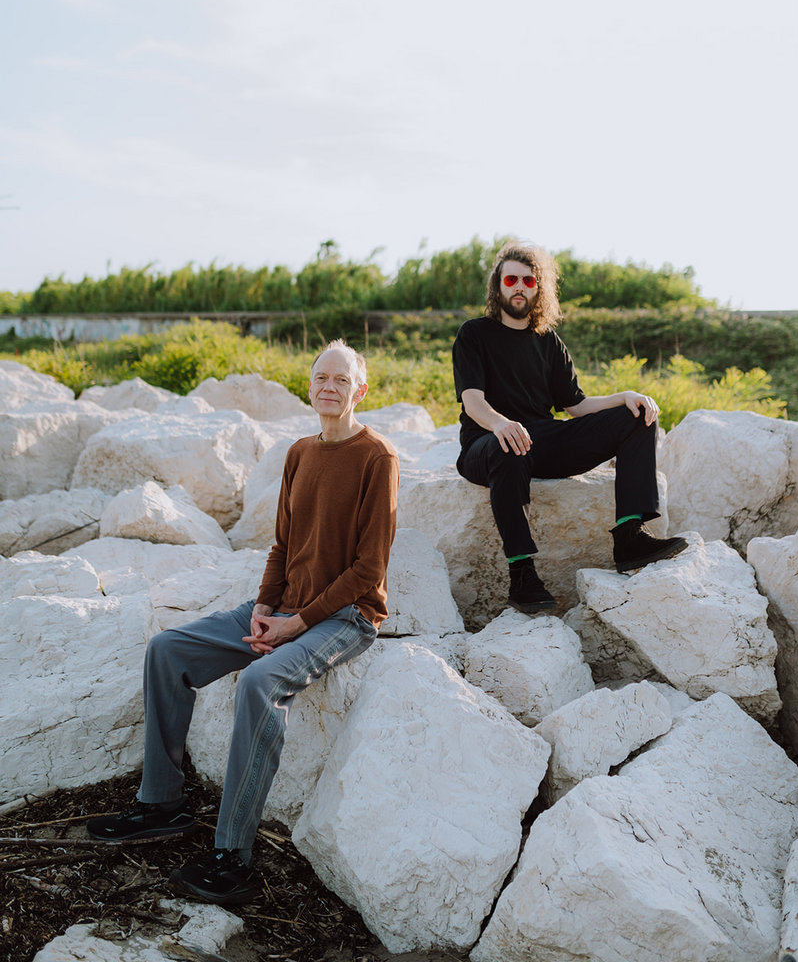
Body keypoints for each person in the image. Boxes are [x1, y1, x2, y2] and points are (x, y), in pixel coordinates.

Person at [87, 340, 399, 907]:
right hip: (283, 608)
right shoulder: (300, 452)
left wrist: (296, 623)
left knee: (259, 682)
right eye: (321, 377)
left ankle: (233, 856)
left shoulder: (377, 458)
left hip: (346, 617)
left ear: (361, 390)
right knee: (167, 651)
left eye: (341, 379)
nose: (329, 387)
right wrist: (263, 607)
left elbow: (369, 569)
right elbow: (283, 544)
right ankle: (161, 804)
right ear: (310, 386)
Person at [453, 241, 687, 614]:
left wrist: (625, 396)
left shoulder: (548, 342)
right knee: (508, 445)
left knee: (638, 415)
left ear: (538, 288)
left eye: (528, 280)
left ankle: (629, 536)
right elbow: (473, 402)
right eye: (511, 279)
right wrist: (501, 424)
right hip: (487, 444)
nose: (519, 287)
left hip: (542, 442)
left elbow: (577, 406)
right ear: (498, 285)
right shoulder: (474, 334)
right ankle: (522, 574)